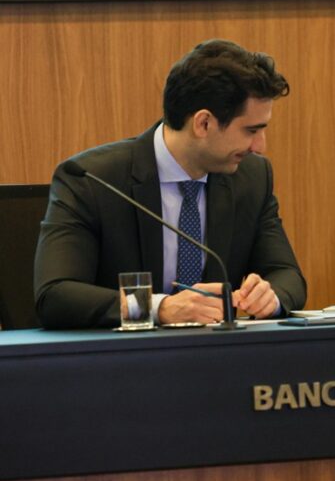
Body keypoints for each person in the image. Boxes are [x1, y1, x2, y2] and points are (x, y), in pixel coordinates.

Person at [35, 39, 307, 328]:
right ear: (203, 123)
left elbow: (286, 275)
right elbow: (55, 295)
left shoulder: (251, 178)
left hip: (218, 352)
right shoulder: (91, 179)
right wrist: (158, 307)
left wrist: (270, 297)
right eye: (251, 131)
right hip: (121, 353)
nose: (260, 146)